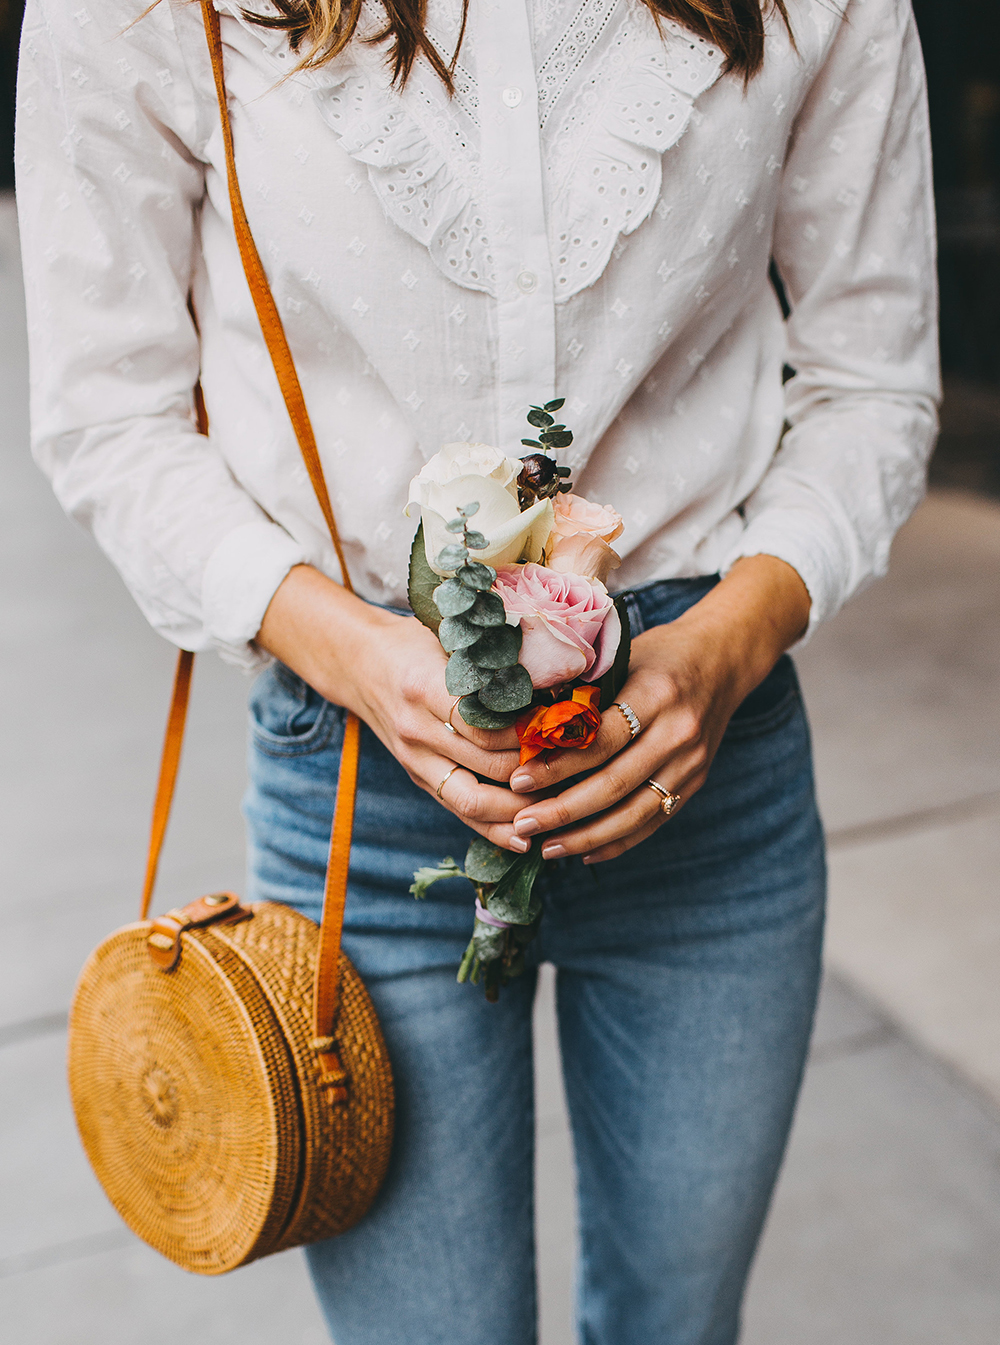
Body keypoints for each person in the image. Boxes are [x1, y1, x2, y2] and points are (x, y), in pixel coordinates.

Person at [15, 0, 938, 1338]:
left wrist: (726, 649)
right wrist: (357, 652)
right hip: (363, 794)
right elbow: (109, 413)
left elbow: (874, 379)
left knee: (678, 1326)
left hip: (699, 756)